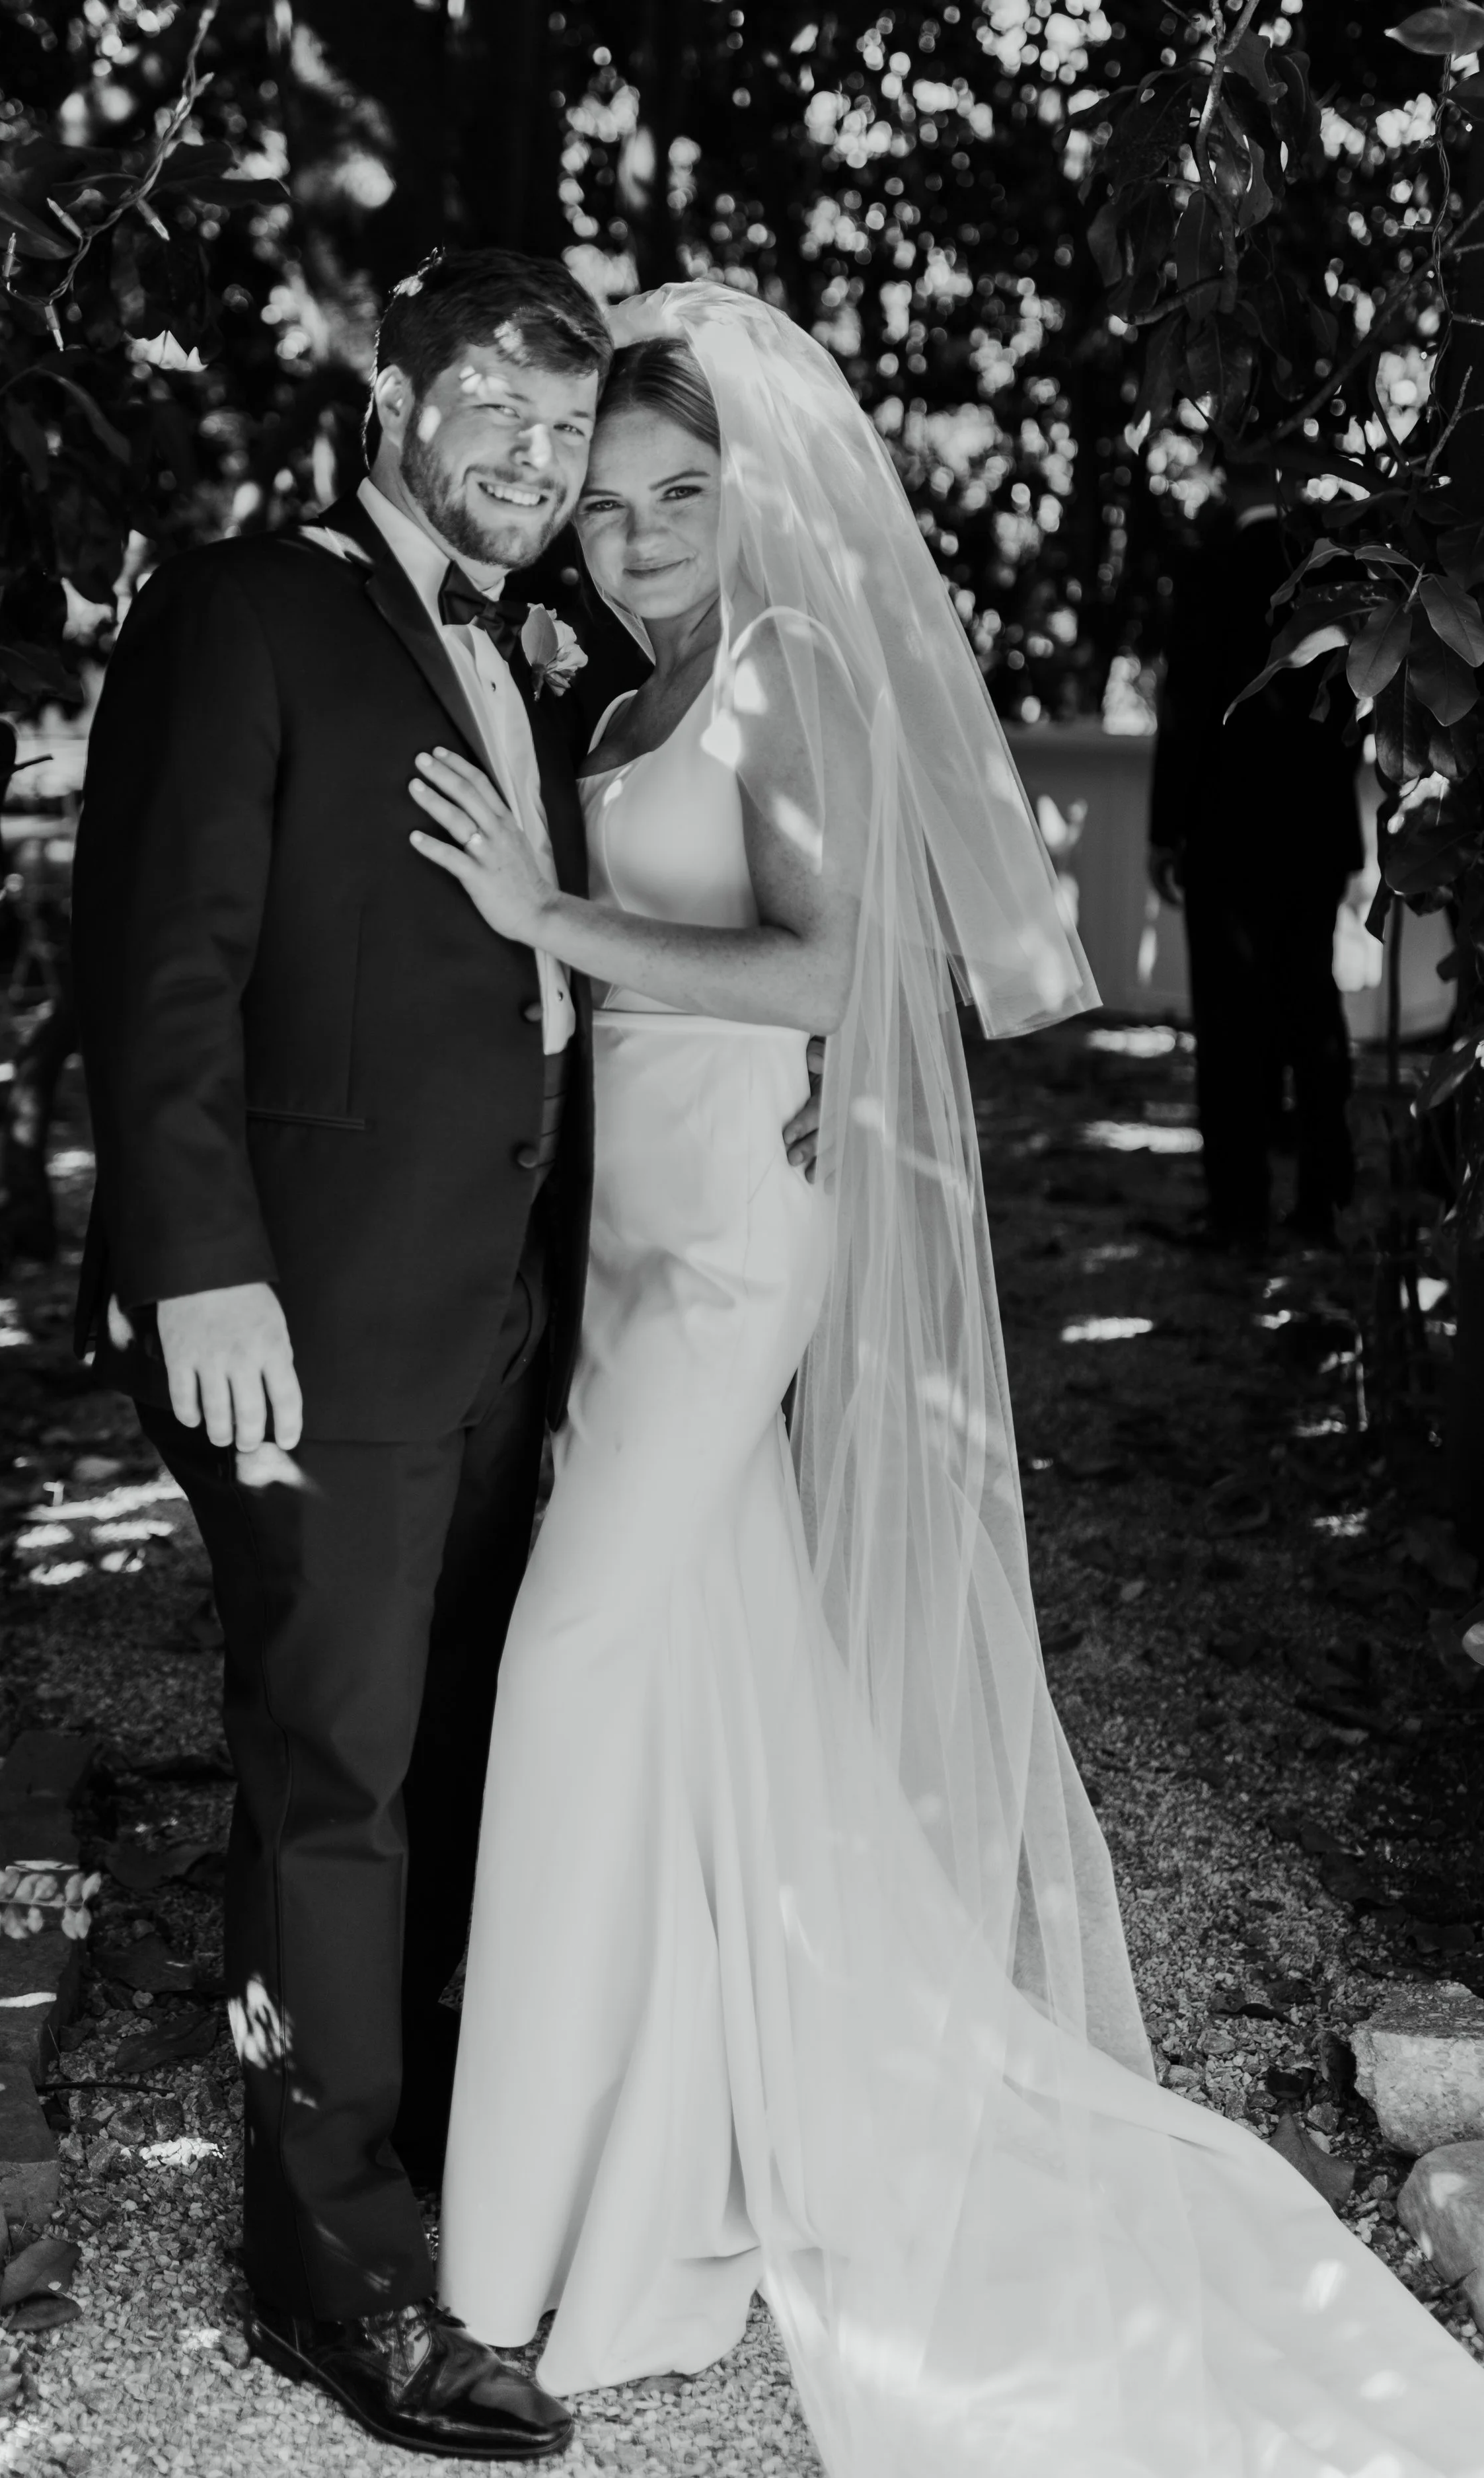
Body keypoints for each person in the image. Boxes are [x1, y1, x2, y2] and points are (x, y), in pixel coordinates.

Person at [412, 285, 1484, 2476]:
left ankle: (514, 2253)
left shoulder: (788, 677)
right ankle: (655, 2161)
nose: (633, 537)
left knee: (569, 1666)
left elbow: (831, 955)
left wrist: (556, 922)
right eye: (605, 505)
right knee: (698, 1681)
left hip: (733, 1258)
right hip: (624, 1249)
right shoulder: (636, 686)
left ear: (759, 496)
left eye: (680, 496)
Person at [73, 247, 818, 2461]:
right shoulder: (248, 606)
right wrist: (195, 1263)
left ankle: (448, 2187)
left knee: (451, 1758)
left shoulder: (560, 642)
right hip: (306, 1316)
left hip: (514, 1306)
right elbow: (160, 958)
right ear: (384, 383)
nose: (524, 451)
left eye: (559, 429)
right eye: (486, 398)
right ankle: (340, 2281)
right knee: (333, 1774)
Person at [1150, 464, 1363, 1252]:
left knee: (1231, 1026)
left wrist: (1163, 830)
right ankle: (1324, 1198)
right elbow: (1353, 707)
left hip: (1227, 833)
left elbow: (1185, 709)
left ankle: (1237, 1209)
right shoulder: (1336, 571)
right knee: (1311, 1008)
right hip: (1313, 833)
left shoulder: (1209, 571)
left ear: (1234, 480)